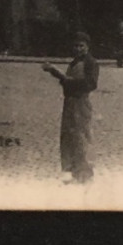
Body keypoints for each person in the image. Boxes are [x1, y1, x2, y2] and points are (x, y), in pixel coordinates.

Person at [42, 32, 99, 183]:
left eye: (82, 46)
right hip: (70, 103)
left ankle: (85, 172)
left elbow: (91, 84)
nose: (78, 49)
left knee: (81, 136)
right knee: (70, 137)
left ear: (87, 47)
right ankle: (73, 170)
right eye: (76, 46)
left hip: (81, 103)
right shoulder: (74, 63)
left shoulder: (90, 63)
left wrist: (62, 77)